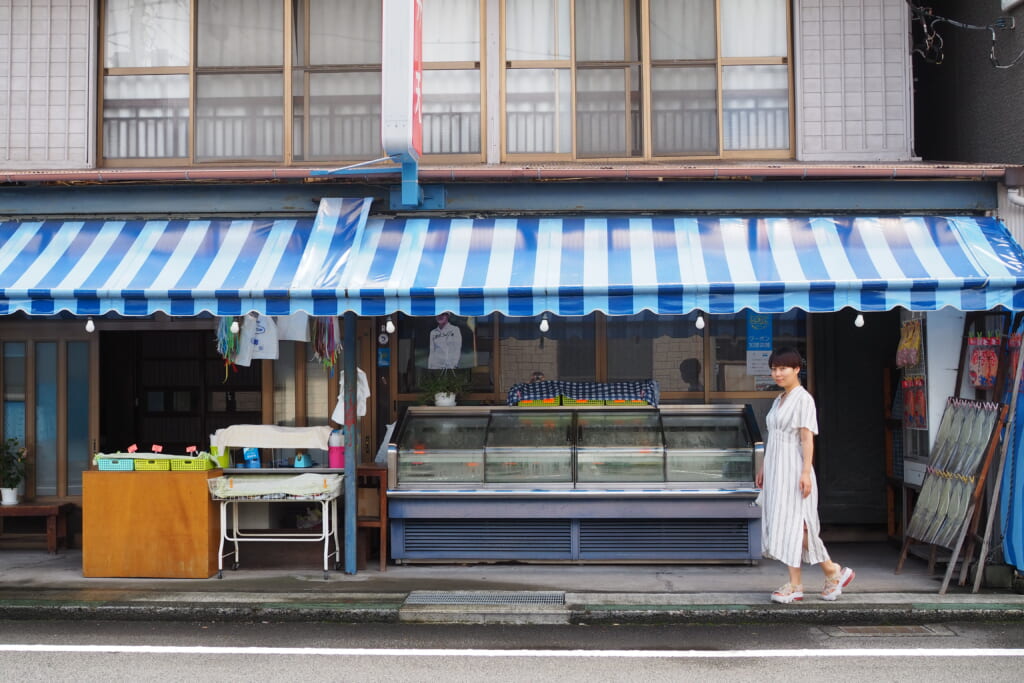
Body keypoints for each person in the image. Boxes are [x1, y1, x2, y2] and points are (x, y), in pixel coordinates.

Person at [755, 346, 854, 604]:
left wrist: (806, 472)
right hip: (776, 467)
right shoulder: (779, 400)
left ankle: (831, 571)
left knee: (800, 524)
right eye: (774, 369)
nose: (777, 373)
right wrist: (764, 466)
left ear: (797, 369)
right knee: (787, 524)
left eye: (783, 368)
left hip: (794, 467)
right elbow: (772, 437)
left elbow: (806, 439)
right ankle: (800, 582)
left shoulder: (803, 399)